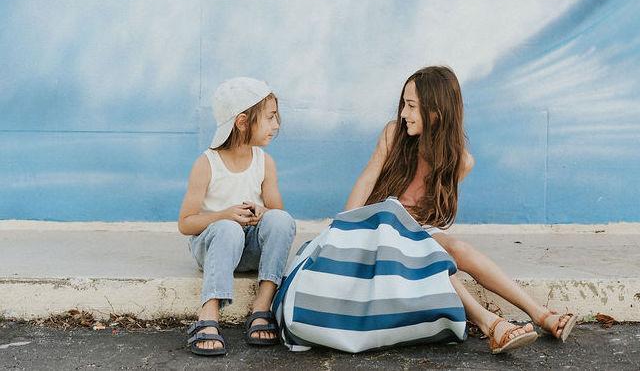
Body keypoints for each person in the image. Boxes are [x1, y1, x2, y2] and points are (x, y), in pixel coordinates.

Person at [345, 66, 577, 354]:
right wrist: (344, 228)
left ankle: (539, 313)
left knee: (455, 249)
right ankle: (492, 324)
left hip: (414, 234)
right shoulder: (393, 135)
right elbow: (367, 179)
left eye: (411, 106)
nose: (403, 113)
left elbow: (426, 217)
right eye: (404, 104)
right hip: (378, 230)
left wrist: (422, 240)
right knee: (434, 258)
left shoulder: (460, 162)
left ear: (436, 113)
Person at [178, 77, 296, 356]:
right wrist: (224, 215)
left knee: (282, 220)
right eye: (269, 117)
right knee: (228, 229)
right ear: (242, 121)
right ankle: (209, 314)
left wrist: (261, 214)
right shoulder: (207, 164)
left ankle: (262, 306)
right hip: (214, 248)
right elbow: (186, 223)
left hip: (251, 250)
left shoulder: (265, 162)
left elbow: (277, 214)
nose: (276, 125)